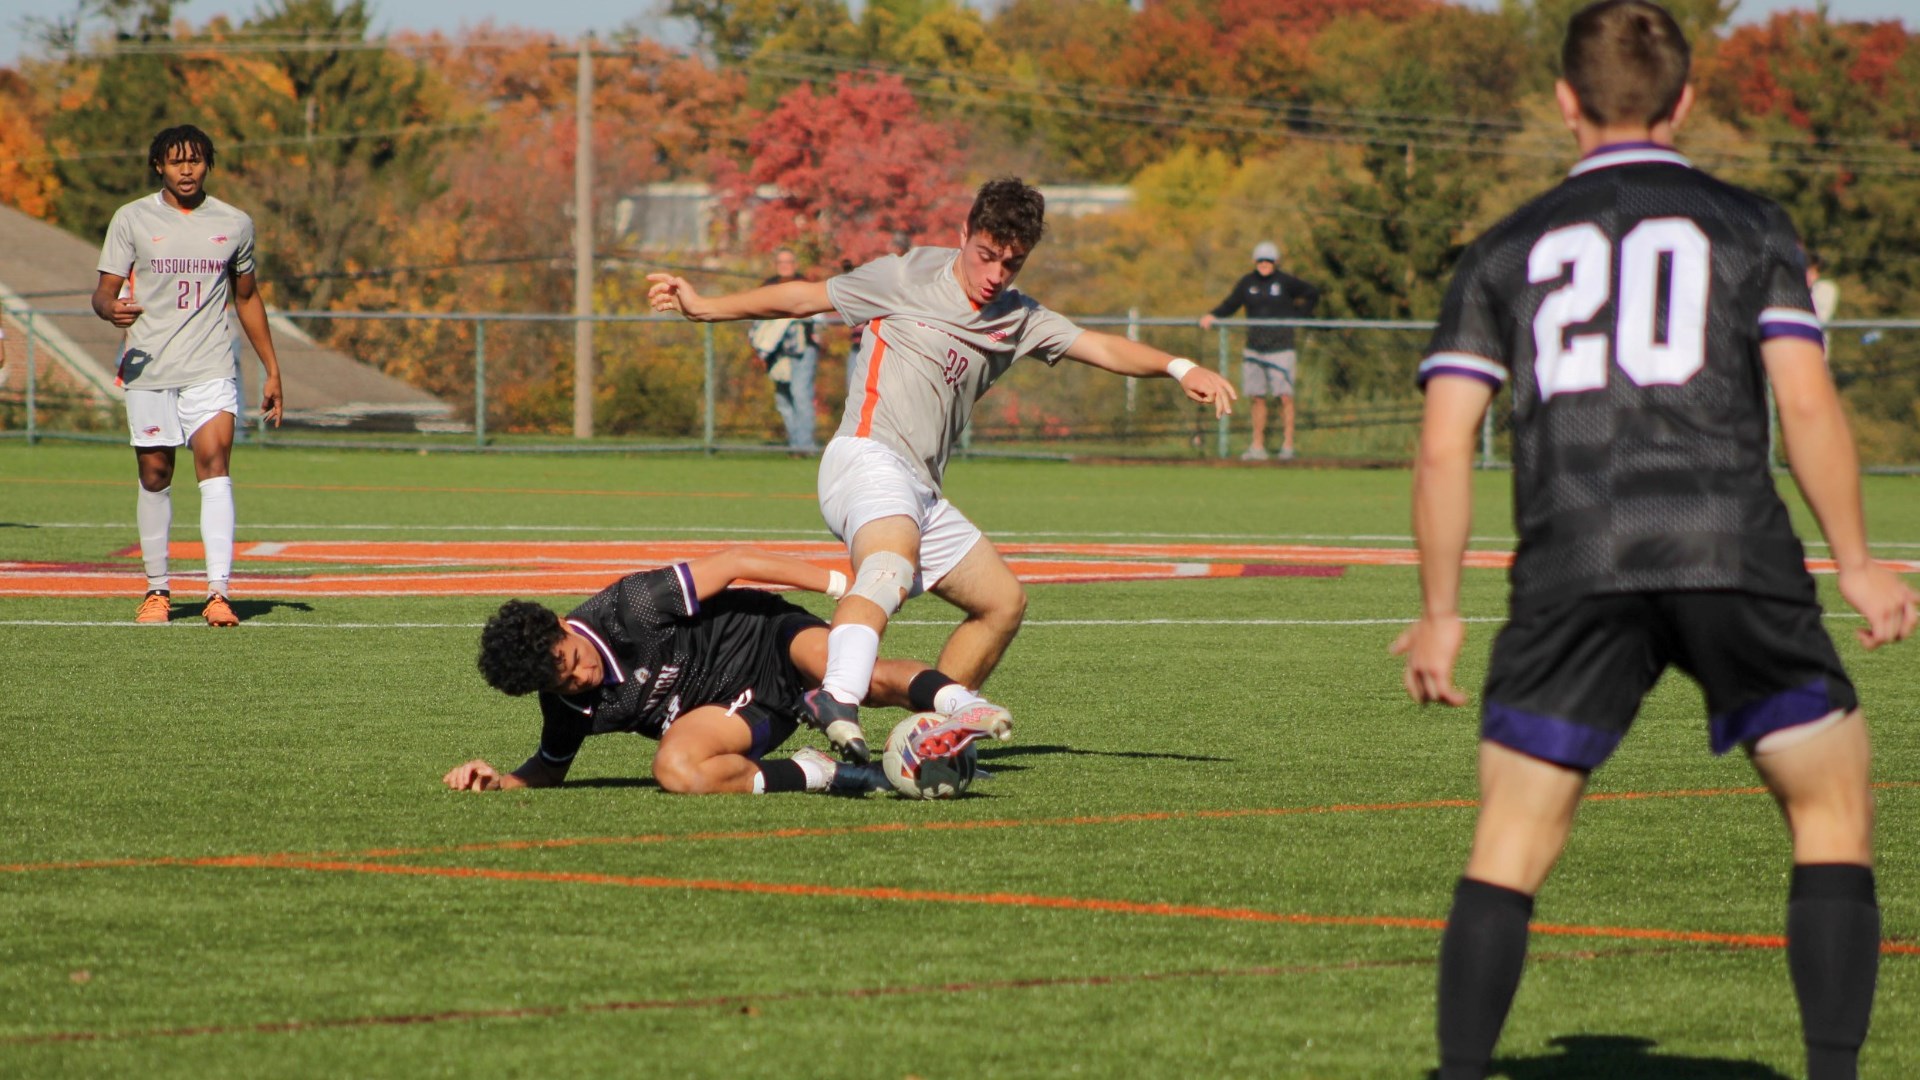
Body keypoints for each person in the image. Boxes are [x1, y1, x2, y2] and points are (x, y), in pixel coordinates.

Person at [1391, 4, 1917, 1079]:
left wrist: (1442, 611)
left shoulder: (1503, 248)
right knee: (1831, 803)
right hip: (1731, 545)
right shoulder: (1748, 224)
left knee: (1511, 844)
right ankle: (1832, 1071)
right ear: (1684, 102)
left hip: (1573, 558)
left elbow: (1446, 444)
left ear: (1564, 101)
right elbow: (1806, 404)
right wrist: (1857, 561)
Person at [648, 178, 1237, 763]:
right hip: (865, 455)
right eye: (986, 255)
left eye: (1012, 263)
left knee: (1002, 602)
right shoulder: (905, 277)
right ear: (963, 236)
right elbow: (804, 297)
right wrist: (705, 309)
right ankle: (836, 696)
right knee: (887, 566)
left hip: (921, 489)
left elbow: (1102, 347)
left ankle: (926, 740)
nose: (996, 274)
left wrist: (1179, 367)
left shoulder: (1018, 318)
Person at [446, 545, 995, 796]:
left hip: (768, 639)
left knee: (854, 676)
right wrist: (502, 779)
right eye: (558, 682)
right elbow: (549, 767)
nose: (577, 678)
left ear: (563, 625)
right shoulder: (567, 703)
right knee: (677, 770)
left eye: (569, 662)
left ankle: (961, 707)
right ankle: (822, 773)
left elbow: (738, 562)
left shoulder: (629, 605)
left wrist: (840, 586)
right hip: (739, 711)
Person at [93, 124, 284, 627]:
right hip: (149, 367)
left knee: (214, 462)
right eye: (176, 160)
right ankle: (157, 590)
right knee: (155, 474)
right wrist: (110, 308)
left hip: (211, 367)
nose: (186, 169)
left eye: (195, 160)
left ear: (208, 165)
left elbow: (246, 297)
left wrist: (272, 369)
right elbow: (103, 291)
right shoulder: (131, 218)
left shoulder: (235, 223)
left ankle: (218, 592)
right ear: (159, 164)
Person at [1200, 241, 1319, 461]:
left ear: (1275, 263)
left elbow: (1312, 292)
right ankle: (1257, 446)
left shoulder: (1285, 282)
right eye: (1261, 260)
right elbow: (1231, 304)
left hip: (1282, 348)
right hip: (1254, 348)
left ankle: (1288, 446)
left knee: (1285, 396)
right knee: (1257, 397)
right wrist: (1213, 315)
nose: (1265, 264)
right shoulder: (1248, 282)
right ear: (1255, 262)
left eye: (1269, 261)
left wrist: (1298, 316)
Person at [748, 248, 818, 451]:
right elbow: (757, 317)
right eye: (781, 262)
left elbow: (817, 316)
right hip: (776, 353)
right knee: (783, 399)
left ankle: (804, 447)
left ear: (795, 264)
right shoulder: (768, 286)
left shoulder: (805, 285)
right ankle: (794, 444)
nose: (785, 266)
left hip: (802, 348)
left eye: (788, 262)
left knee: (800, 394)